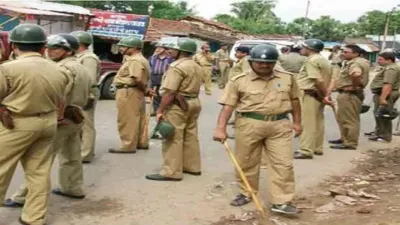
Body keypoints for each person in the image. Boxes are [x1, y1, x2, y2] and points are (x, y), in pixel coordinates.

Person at [4, 33, 92, 209]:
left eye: (56, 48)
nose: (50, 51)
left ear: (68, 51)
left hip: (63, 118)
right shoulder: (79, 66)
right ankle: (73, 187)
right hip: (76, 117)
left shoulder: (64, 69)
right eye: (50, 47)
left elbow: (60, 97)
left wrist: (58, 117)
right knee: (71, 155)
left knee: (39, 165)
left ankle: (22, 197)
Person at [213, 44, 302, 215]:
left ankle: (282, 201)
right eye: (260, 63)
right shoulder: (239, 80)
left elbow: (295, 101)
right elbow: (227, 107)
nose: (264, 66)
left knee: (283, 163)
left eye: (269, 63)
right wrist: (220, 128)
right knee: (246, 161)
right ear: (252, 61)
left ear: (274, 62)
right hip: (249, 123)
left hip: (280, 124)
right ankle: (246, 192)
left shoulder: (287, 78)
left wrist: (297, 122)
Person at [0, 24, 70, 225]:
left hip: (16, 123)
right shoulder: (58, 69)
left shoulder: (7, 69)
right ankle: (34, 218)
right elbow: (62, 99)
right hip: (47, 122)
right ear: (43, 47)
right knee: (39, 172)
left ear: (13, 45)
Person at [146, 38, 203, 181]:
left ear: (181, 51)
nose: (169, 51)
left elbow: (170, 92)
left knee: (172, 137)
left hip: (178, 104)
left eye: (173, 49)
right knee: (190, 135)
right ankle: (192, 166)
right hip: (194, 102)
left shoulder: (176, 67)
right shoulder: (196, 65)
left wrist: (160, 110)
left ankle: (171, 172)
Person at [109, 37, 153, 153]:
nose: (121, 49)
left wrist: (144, 90)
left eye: (123, 46)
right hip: (134, 91)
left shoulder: (135, 60)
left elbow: (137, 78)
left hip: (129, 91)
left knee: (127, 119)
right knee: (137, 117)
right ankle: (141, 142)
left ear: (133, 48)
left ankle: (127, 145)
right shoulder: (139, 59)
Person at [326, 45, 370, 150]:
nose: (343, 53)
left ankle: (350, 143)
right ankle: (344, 138)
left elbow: (356, 74)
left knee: (350, 120)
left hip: (350, 94)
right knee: (344, 118)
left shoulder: (355, 63)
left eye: (346, 52)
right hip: (348, 94)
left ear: (355, 53)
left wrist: (355, 86)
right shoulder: (359, 61)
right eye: (343, 51)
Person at [294, 39, 332, 159]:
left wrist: (324, 95)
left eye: (303, 47)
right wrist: (325, 95)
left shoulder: (312, 61)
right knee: (318, 121)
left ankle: (306, 150)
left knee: (307, 122)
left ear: (309, 49)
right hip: (319, 94)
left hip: (310, 93)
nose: (301, 49)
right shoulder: (323, 60)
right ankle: (317, 147)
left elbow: (318, 80)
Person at [70, 31, 101, 164]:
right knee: (79, 123)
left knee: (86, 124)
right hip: (78, 93)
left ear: (80, 43)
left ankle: (86, 153)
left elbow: (90, 79)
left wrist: (87, 96)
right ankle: (80, 150)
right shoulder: (79, 56)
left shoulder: (89, 58)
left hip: (86, 93)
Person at [368, 52, 400, 142]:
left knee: (384, 115)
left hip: (387, 94)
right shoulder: (389, 68)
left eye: (380, 59)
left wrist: (383, 98)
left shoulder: (391, 69)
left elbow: (388, 84)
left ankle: (385, 136)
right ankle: (379, 132)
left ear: (389, 60)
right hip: (384, 93)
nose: (378, 61)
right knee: (379, 114)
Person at [149, 42, 174, 115]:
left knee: (164, 94)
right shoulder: (152, 58)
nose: (158, 49)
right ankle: (156, 110)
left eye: (160, 48)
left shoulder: (170, 59)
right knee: (154, 94)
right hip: (154, 76)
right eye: (157, 48)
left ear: (165, 50)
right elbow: (150, 66)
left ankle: (163, 110)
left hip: (164, 77)